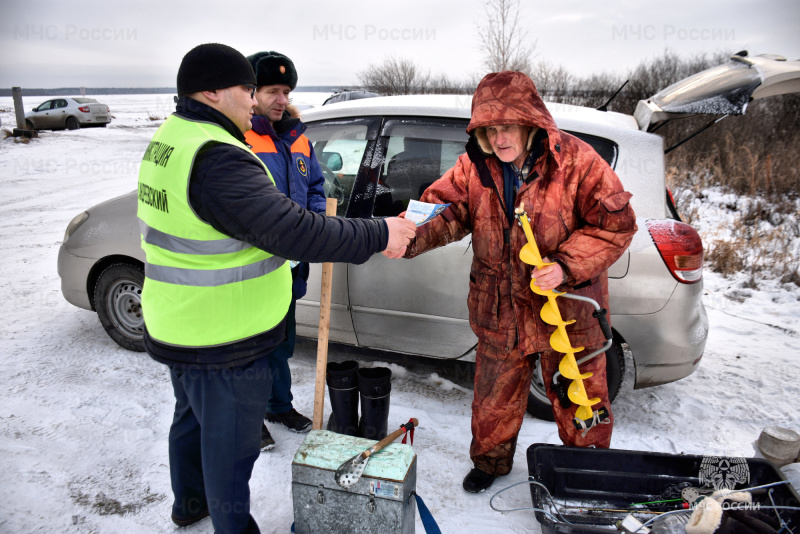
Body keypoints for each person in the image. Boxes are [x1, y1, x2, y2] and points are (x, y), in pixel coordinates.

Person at [137, 43, 416, 533]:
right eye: (246, 89)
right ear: (211, 91)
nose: (254, 100)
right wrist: (379, 232)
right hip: (223, 335)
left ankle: (190, 504)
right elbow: (294, 230)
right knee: (231, 448)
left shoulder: (175, 135)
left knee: (191, 421)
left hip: (180, 319)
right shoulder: (217, 158)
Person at [399, 71, 637, 493]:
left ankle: (586, 475)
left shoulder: (578, 162)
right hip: (500, 308)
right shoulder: (473, 167)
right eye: (489, 128)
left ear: (531, 122)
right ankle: (490, 463)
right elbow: (444, 212)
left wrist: (565, 265)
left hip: (567, 311)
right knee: (494, 398)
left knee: (579, 397)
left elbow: (615, 225)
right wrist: (402, 236)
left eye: (507, 125)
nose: (499, 136)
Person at [243, 51, 321, 448]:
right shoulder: (240, 139)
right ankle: (249, 415)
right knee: (251, 345)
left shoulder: (299, 137)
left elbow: (316, 191)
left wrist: (318, 229)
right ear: (250, 92)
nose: (280, 98)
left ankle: (278, 404)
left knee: (281, 342)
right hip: (253, 268)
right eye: (271, 90)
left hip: (290, 267)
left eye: (285, 90)